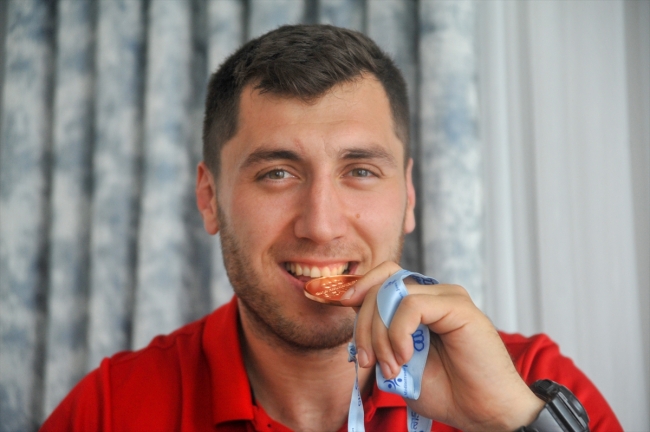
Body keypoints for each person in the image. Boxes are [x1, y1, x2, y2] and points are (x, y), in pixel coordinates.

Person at [41, 24, 621, 432]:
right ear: (210, 198)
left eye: (360, 171)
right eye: (277, 173)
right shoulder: (109, 409)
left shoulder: (532, 382)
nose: (320, 225)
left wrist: (513, 423)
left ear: (408, 195)